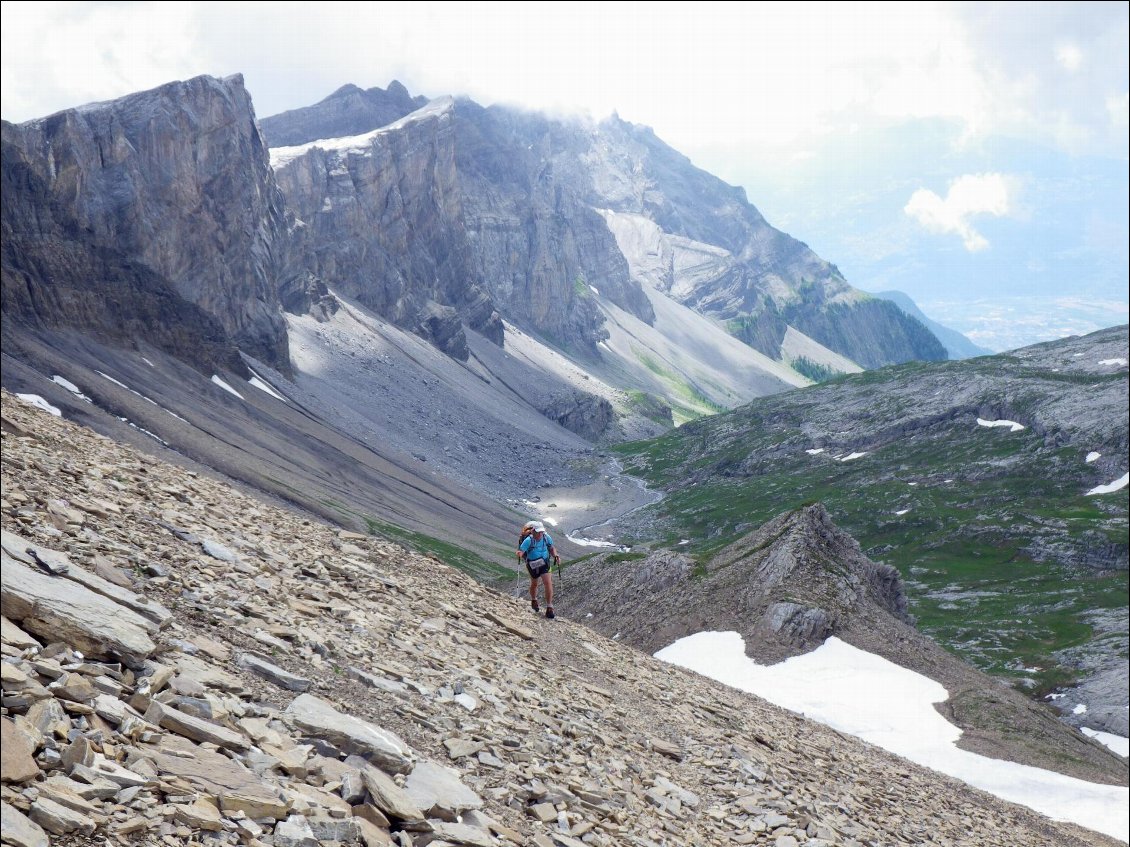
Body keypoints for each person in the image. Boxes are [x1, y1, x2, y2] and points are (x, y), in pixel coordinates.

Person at [517, 521, 560, 619]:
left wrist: (555, 555)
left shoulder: (546, 537)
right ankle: (534, 600)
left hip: (544, 563)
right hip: (532, 565)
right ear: (533, 531)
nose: (540, 534)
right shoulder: (528, 540)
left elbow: (551, 548)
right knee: (534, 584)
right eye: (538, 532)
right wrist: (519, 554)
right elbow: (521, 551)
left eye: (541, 532)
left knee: (548, 583)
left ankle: (549, 607)